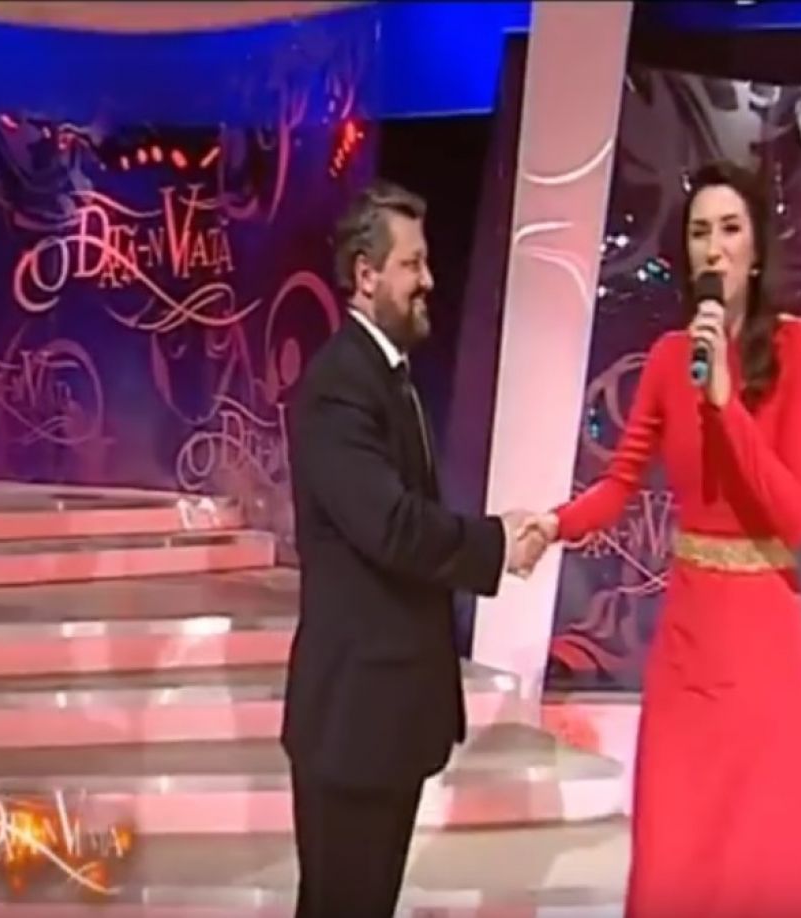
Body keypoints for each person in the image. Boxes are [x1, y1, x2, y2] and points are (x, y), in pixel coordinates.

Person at [520, 160, 801, 917]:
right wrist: (554, 524)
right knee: (678, 849)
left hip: (765, 641)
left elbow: (797, 515)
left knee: (763, 853)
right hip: (690, 642)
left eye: (730, 229)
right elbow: (620, 482)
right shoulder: (671, 358)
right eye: (700, 232)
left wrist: (726, 404)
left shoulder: (798, 348)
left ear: (756, 250)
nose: (714, 246)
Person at [281, 178, 536, 918]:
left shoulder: (388, 377)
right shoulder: (338, 386)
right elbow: (391, 525)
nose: (429, 280)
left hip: (385, 722)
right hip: (353, 724)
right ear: (366, 276)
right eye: (412, 264)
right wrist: (496, 544)